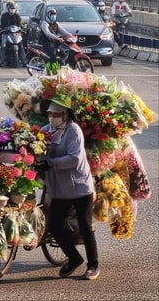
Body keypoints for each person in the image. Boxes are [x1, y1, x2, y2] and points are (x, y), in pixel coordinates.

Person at [41, 94, 99, 281]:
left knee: (85, 226)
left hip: (79, 188)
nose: (52, 117)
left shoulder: (73, 131)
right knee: (54, 226)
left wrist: (51, 163)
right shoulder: (45, 131)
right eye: (50, 113)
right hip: (59, 190)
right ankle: (74, 258)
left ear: (65, 115)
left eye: (56, 114)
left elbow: (74, 158)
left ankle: (93, 266)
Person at [39, 7, 71, 75]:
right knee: (53, 56)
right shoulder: (44, 23)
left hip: (54, 42)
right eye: (52, 14)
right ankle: (51, 71)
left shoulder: (56, 23)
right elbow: (48, 33)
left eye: (55, 14)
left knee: (64, 55)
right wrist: (57, 38)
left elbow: (62, 30)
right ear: (48, 15)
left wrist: (70, 35)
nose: (54, 16)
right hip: (47, 42)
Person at [0, 1, 26, 67]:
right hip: (6, 34)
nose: (12, 10)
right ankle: (0, 62)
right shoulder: (4, 16)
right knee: (3, 46)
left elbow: (20, 25)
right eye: (11, 9)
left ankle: (24, 62)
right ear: (8, 9)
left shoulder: (17, 16)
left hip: (16, 34)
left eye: (13, 9)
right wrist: (3, 29)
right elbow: (2, 26)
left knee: (21, 46)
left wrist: (22, 28)